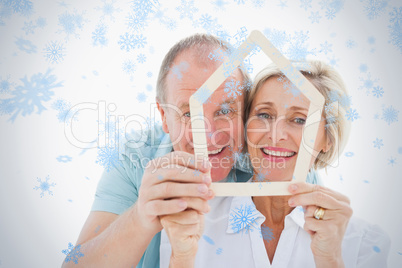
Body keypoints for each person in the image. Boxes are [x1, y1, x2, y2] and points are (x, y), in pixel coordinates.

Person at [159, 60, 391, 267]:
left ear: (327, 139)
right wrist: (182, 258)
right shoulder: (192, 222)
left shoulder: (364, 242)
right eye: (264, 115)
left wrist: (330, 260)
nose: (275, 133)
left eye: (299, 119)